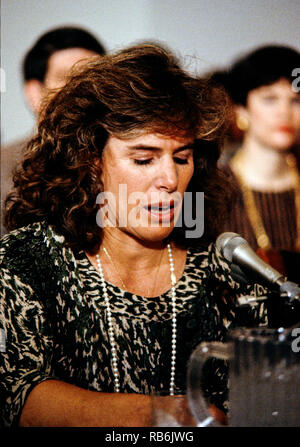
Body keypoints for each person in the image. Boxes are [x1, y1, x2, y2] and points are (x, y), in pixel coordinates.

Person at [0, 44, 266, 427]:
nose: (169, 180)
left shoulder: (224, 275)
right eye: (144, 159)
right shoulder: (27, 263)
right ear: (91, 161)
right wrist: (156, 414)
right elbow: (17, 394)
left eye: (181, 158)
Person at [0, 26, 106, 237]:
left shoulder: (122, 160)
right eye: (68, 78)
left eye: (94, 79)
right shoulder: (4, 167)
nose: (84, 90)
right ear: (34, 93)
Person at [214, 45, 300, 277]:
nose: (284, 111)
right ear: (242, 109)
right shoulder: (212, 189)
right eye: (270, 99)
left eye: (295, 100)